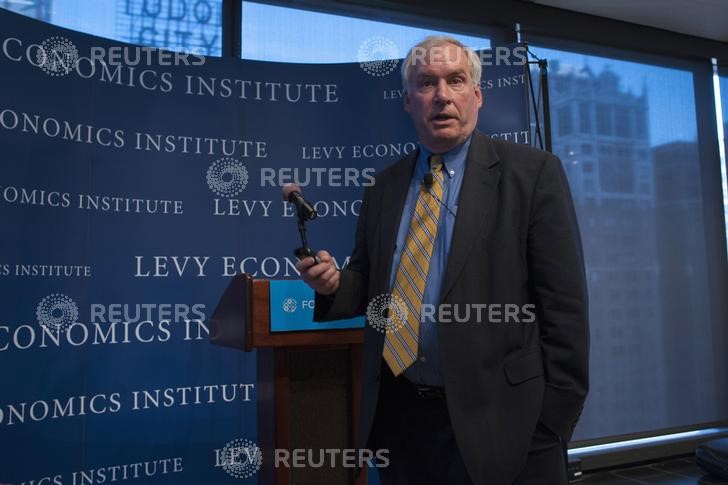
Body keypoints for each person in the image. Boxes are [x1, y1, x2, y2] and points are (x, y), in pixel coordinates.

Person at [295, 36, 589, 485]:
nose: (442, 95)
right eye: (427, 83)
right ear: (408, 101)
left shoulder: (532, 174)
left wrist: (551, 424)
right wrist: (334, 286)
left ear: (477, 95)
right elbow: (371, 284)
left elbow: (564, 309)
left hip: (504, 424)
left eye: (456, 80)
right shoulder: (383, 186)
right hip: (403, 421)